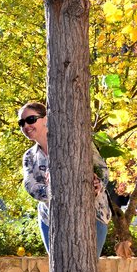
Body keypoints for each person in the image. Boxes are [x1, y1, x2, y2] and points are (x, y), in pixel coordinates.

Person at [19, 102, 110, 256]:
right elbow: (30, 187)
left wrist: (98, 184)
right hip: (51, 221)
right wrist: (52, 189)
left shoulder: (77, 142)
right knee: (59, 271)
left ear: (46, 118)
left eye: (31, 119)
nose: (26, 126)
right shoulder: (29, 156)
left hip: (93, 214)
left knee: (89, 271)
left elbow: (102, 170)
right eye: (21, 123)